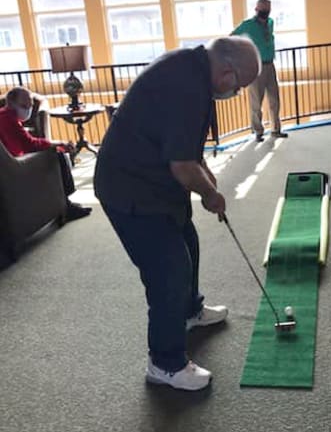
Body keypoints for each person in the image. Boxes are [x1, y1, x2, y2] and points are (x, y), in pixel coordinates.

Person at [94, 36, 261, 391]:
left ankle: (188, 312)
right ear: (228, 72)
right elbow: (183, 166)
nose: (237, 92)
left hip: (157, 180)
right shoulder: (186, 87)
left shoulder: (194, 69)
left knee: (188, 240)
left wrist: (206, 177)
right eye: (241, 85)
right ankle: (165, 363)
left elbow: (187, 150)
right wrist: (211, 194)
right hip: (129, 188)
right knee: (168, 270)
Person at [0, 87, 92, 221]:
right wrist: (58, 144)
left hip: (8, 165)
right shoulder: (8, 119)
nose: (29, 108)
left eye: (30, 104)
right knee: (57, 155)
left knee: (56, 150)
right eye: (24, 105)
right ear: (11, 103)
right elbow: (30, 144)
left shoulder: (4, 115)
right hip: (14, 168)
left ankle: (63, 203)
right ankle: (66, 205)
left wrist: (56, 144)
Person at [232, 0, 288, 142]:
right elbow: (232, 38)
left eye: (267, 10)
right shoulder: (248, 25)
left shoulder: (270, 23)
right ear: (256, 9)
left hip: (270, 65)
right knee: (256, 101)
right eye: (262, 9)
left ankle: (276, 129)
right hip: (256, 67)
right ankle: (258, 131)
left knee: (274, 99)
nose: (265, 12)